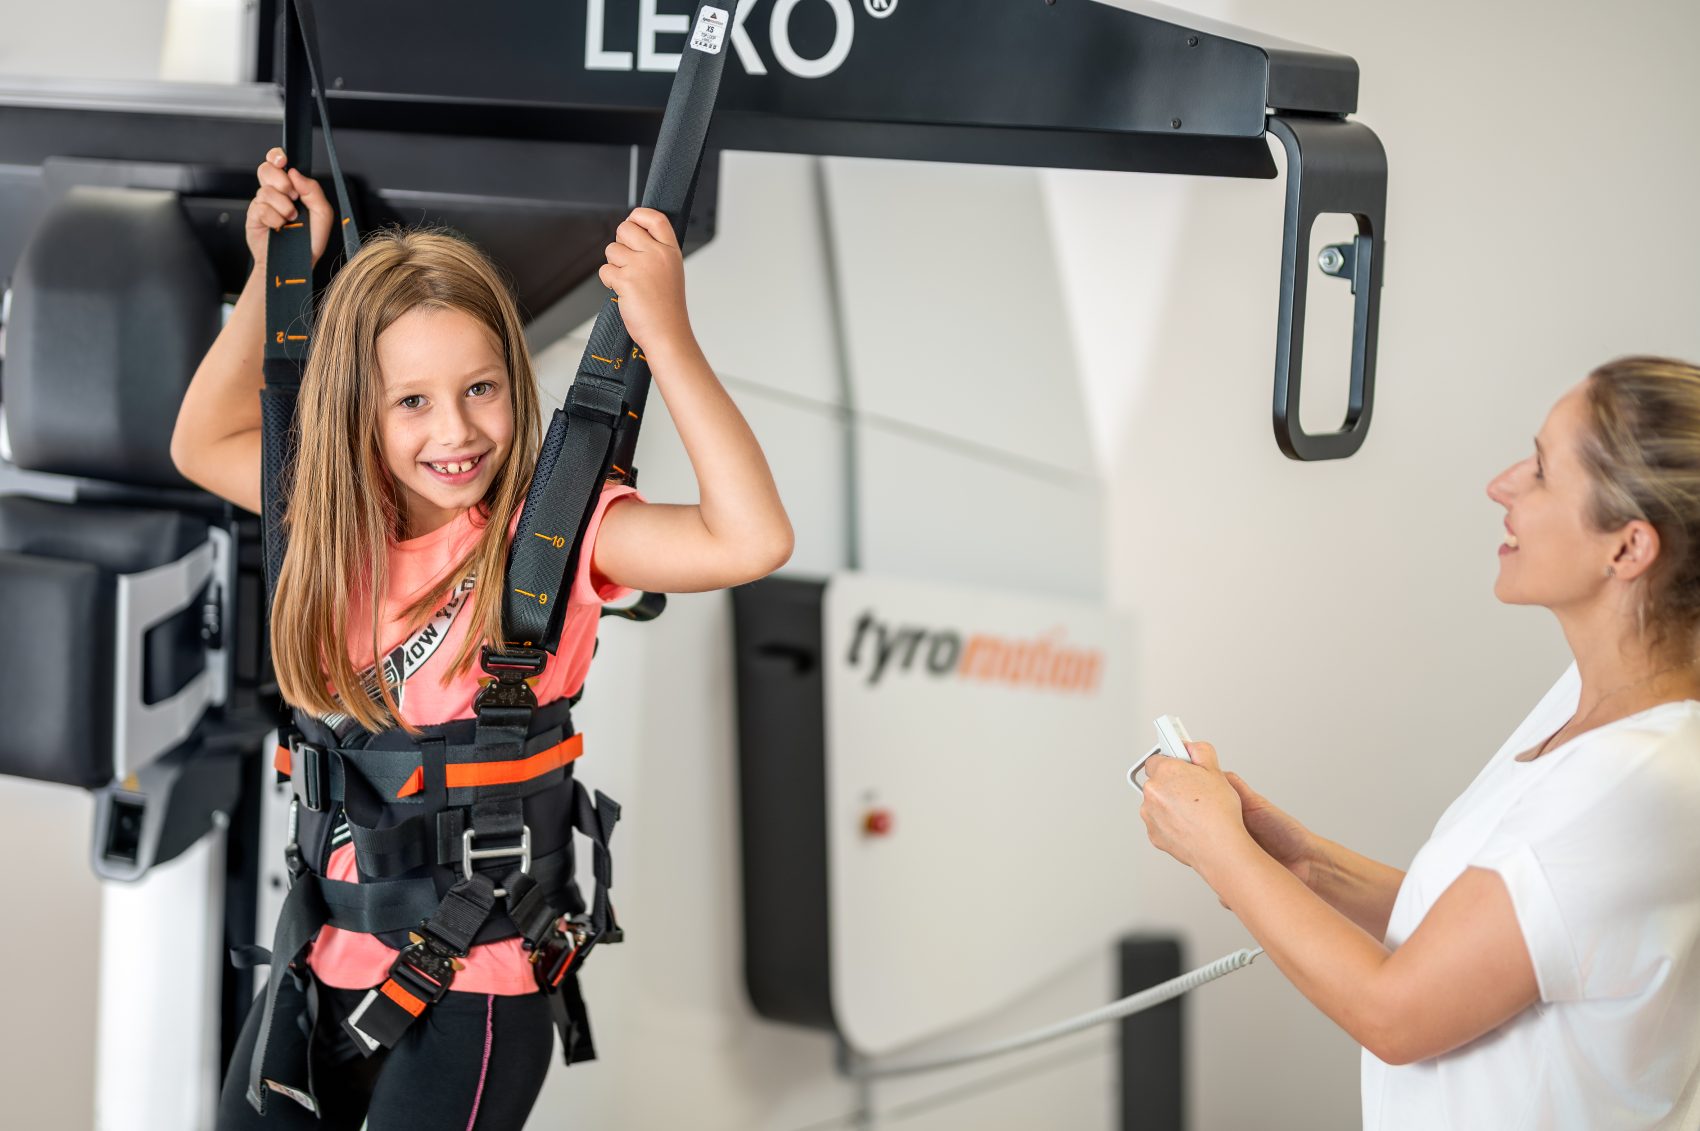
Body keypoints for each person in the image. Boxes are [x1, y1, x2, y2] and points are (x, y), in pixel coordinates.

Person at [172, 148, 793, 1129]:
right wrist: (271, 275)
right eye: (410, 401)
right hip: (324, 961)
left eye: (481, 388)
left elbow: (750, 538)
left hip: (477, 984)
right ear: (354, 411)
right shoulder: (334, 519)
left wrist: (664, 336)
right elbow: (199, 442)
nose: (454, 430)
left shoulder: (552, 534)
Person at [1138, 356, 1700, 1130]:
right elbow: (1509, 933)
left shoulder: (1640, 784)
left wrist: (1215, 849)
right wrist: (1305, 862)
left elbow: (1395, 1013)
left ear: (1629, 548)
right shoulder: (1584, 703)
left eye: (1540, 471)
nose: (1502, 484)